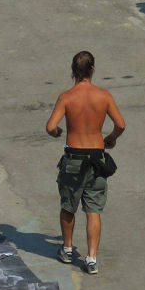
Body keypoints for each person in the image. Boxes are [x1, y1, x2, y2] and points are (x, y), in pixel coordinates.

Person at [45, 50, 125, 275]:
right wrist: (111, 138)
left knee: (68, 205)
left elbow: (51, 127)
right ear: (92, 69)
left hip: (74, 157)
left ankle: (68, 248)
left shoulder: (67, 97)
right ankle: (91, 258)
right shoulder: (104, 96)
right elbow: (120, 124)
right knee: (93, 209)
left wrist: (58, 132)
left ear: (73, 71)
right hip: (96, 158)